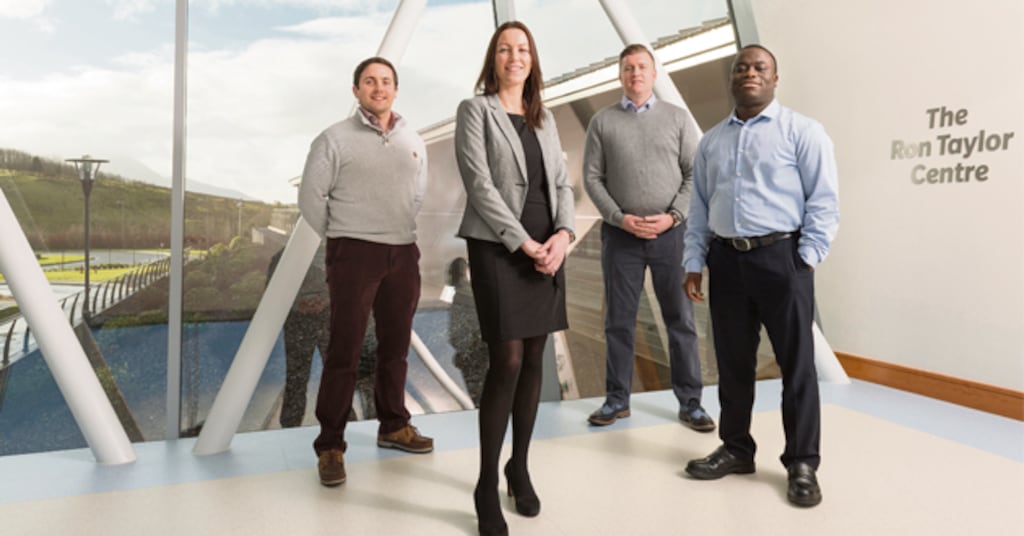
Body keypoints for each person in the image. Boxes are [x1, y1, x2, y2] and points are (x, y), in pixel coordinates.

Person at [681, 44, 839, 507]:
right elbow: (700, 207)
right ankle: (736, 448)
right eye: (741, 68)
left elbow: (824, 201)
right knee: (732, 363)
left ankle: (803, 463)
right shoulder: (711, 141)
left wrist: (804, 257)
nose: (749, 72)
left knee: (797, 366)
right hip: (726, 261)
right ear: (732, 79)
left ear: (774, 79)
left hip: (782, 259)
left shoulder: (803, 132)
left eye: (759, 67)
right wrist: (695, 260)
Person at [454, 21, 575, 536]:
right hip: (499, 248)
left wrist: (563, 236)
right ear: (493, 58)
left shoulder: (543, 118)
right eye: (505, 49)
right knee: (506, 359)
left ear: (533, 59)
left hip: (548, 249)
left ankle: (518, 466)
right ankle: (485, 484)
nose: (514, 56)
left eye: (522, 49)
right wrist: (522, 242)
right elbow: (480, 184)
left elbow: (563, 183)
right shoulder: (475, 111)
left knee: (534, 362)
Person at [298, 56, 432, 488]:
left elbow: (419, 192)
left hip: (403, 251)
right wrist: (344, 234)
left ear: (396, 89)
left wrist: (394, 229)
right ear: (355, 90)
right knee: (345, 351)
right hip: (354, 252)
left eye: (386, 81)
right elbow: (311, 199)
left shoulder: (413, 138)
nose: (379, 88)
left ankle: (393, 425)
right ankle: (331, 445)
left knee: (395, 348)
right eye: (370, 81)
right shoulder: (333, 139)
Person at [582, 43, 714, 432]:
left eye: (642, 67)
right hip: (620, 238)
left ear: (653, 74)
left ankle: (691, 403)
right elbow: (592, 177)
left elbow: (695, 174)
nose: (635, 74)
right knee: (619, 321)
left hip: (671, 237)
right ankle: (616, 400)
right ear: (620, 76)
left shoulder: (677, 119)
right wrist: (620, 218)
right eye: (628, 68)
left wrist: (672, 217)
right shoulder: (602, 123)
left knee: (680, 320)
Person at [267, 246, 329, 428]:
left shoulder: (333, 252)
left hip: (325, 321)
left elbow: (347, 285)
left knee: (336, 374)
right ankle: (290, 426)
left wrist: (323, 302)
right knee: (297, 377)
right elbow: (272, 291)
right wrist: (299, 305)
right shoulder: (281, 257)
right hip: (299, 324)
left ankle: (345, 419)